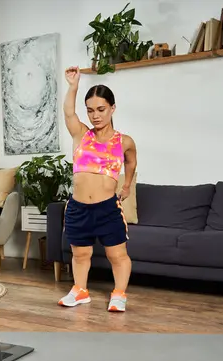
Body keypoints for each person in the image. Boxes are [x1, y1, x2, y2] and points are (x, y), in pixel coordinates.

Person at [58, 65, 137, 312]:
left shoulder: (124, 141)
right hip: (78, 207)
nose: (95, 115)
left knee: (117, 256)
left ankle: (119, 294)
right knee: (80, 255)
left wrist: (126, 186)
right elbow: (69, 112)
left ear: (112, 108)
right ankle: (80, 291)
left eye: (101, 109)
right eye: (90, 110)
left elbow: (132, 162)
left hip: (107, 208)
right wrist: (73, 86)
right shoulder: (81, 135)